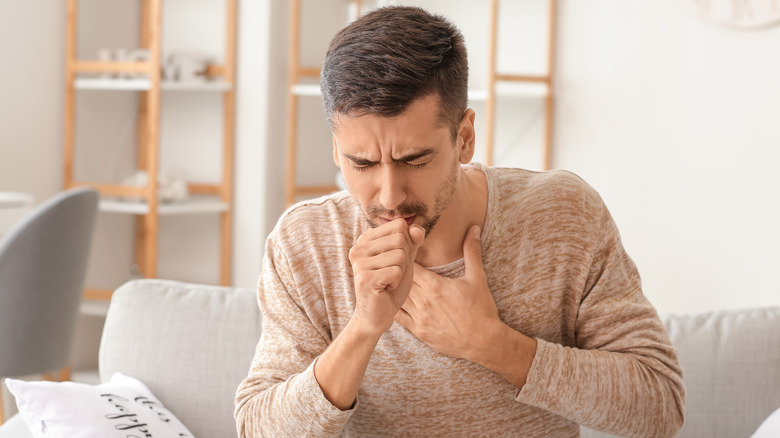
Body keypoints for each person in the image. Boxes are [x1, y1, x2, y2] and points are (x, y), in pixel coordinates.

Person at [235, 6, 684, 437]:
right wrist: (364, 327)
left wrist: (489, 343)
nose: (389, 196)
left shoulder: (562, 215)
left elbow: (661, 406)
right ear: (336, 149)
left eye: (415, 160)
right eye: (363, 163)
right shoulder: (305, 243)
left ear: (464, 137)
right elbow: (259, 429)